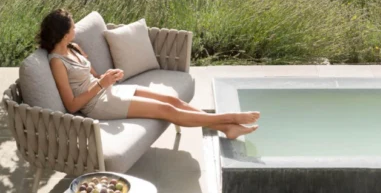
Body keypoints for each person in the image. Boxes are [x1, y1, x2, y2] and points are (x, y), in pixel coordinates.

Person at [38, 9, 260, 139]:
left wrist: (108, 76)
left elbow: (93, 75)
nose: (75, 30)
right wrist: (100, 85)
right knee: (166, 110)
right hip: (97, 105)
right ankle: (229, 118)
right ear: (63, 34)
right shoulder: (57, 62)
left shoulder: (73, 48)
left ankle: (227, 128)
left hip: (107, 90)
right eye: (72, 28)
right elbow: (73, 105)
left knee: (172, 100)